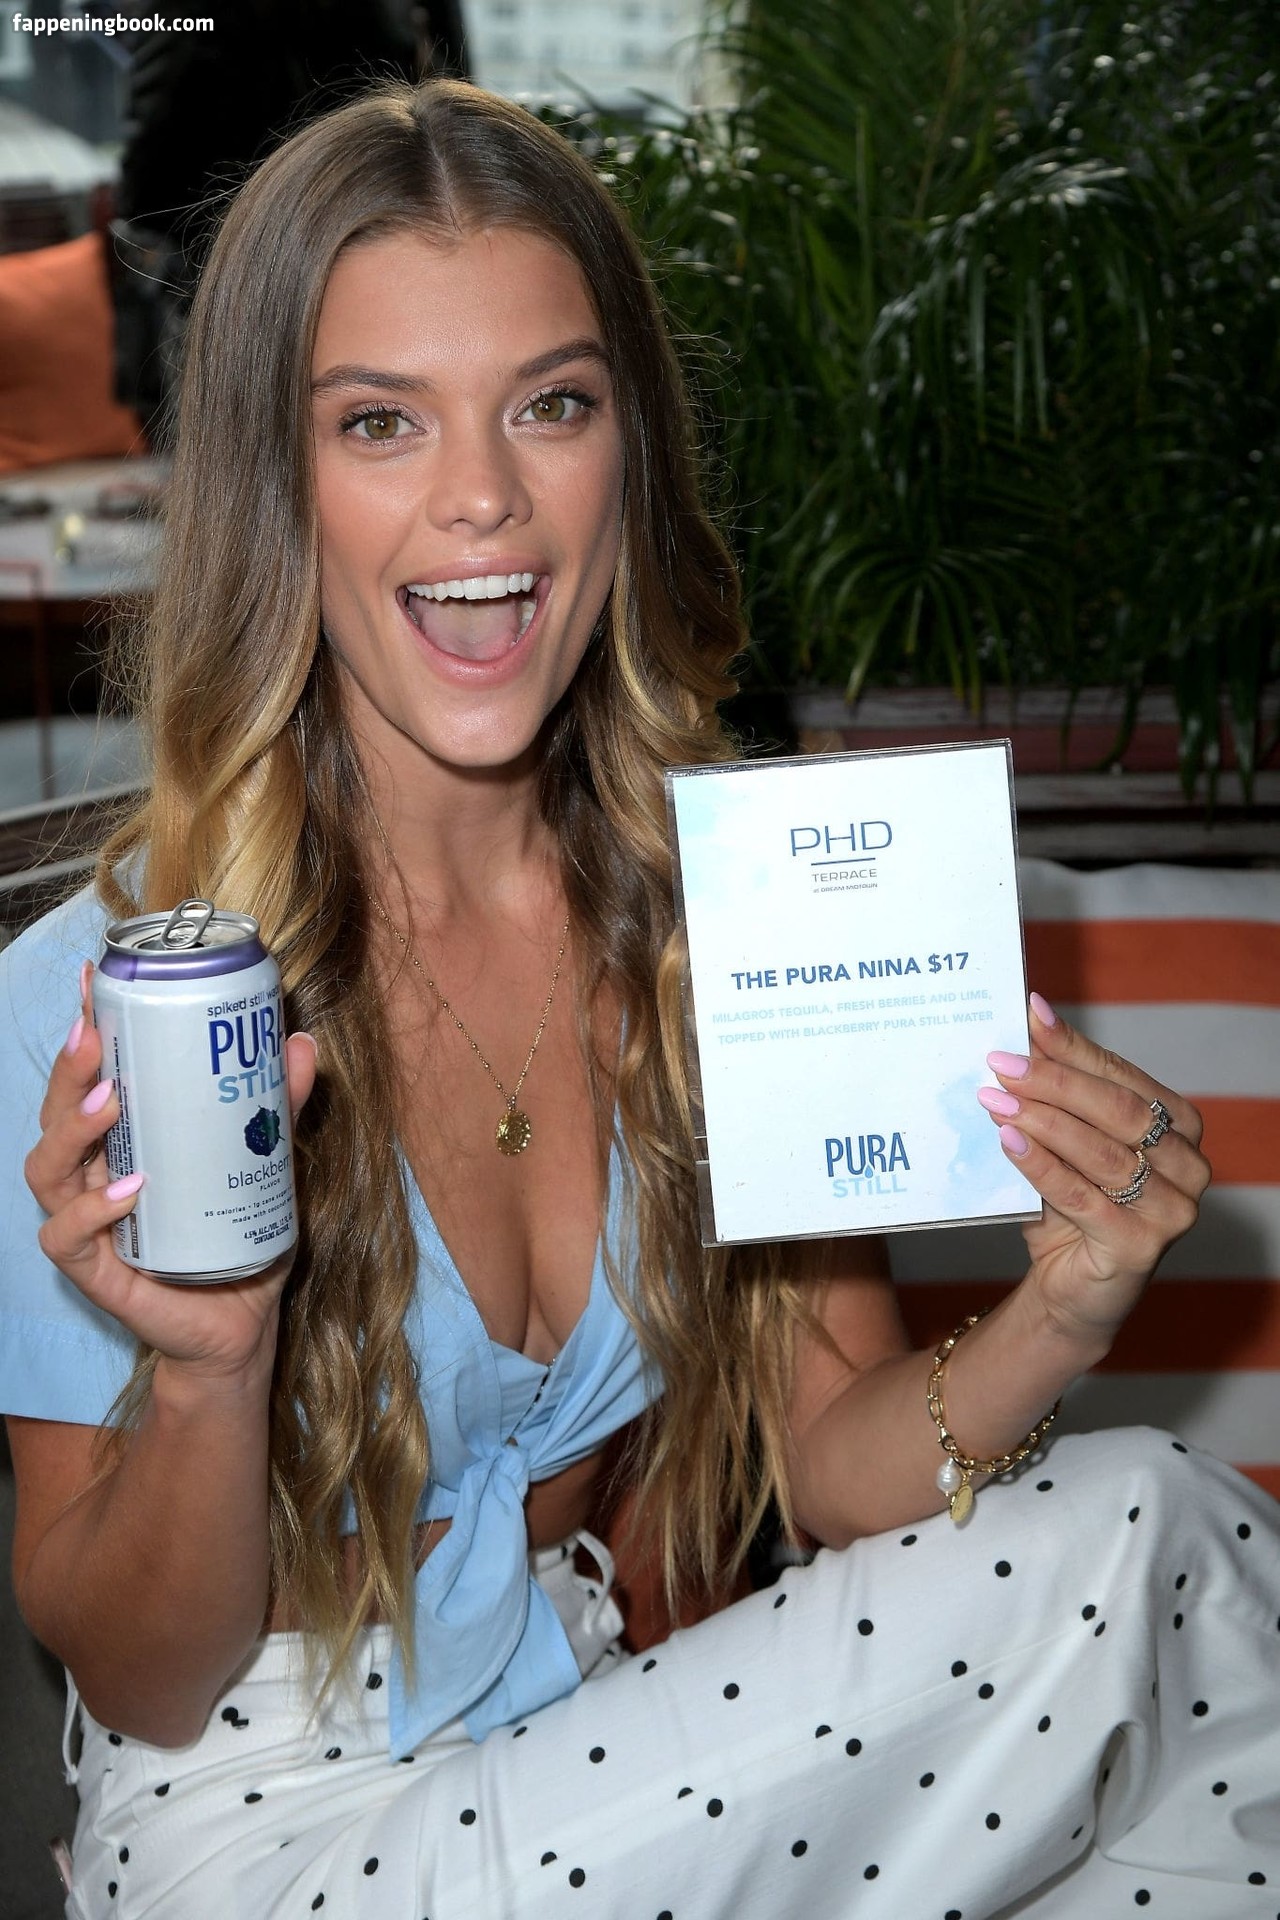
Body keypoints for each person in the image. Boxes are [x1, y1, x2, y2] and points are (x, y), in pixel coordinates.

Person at [2, 79, 1278, 1920]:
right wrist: (212, 1373)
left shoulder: (724, 920)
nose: (483, 496)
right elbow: (139, 1682)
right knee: (1148, 1532)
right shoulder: (106, 996)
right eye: (379, 421)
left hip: (596, 1760)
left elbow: (836, 1464)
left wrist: (1061, 1309)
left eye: (553, 404)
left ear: (632, 452)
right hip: (269, 1829)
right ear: (278, 488)